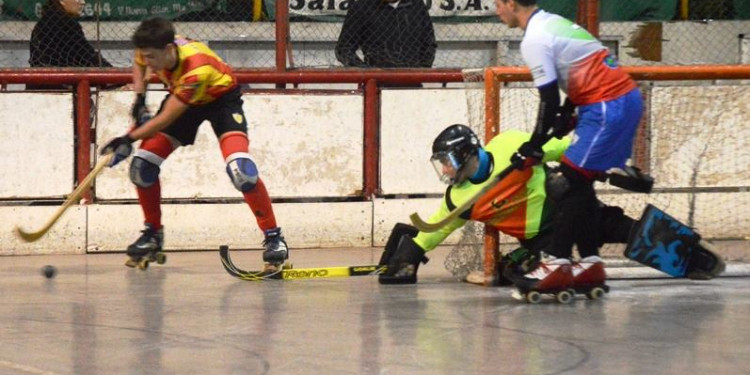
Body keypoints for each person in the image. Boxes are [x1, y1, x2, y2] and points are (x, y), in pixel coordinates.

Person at [100, 17, 288, 270]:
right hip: (183, 96)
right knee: (142, 167)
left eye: (153, 58)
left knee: (241, 171)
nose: (150, 64)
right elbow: (139, 62)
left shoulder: (196, 69)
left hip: (220, 100)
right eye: (146, 57)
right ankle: (153, 233)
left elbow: (167, 117)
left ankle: (274, 237)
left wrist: (127, 138)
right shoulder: (151, 48)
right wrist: (139, 99)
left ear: (169, 50)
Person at [379, 124, 637, 295]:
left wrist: (603, 165)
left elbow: (561, 147)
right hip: (542, 238)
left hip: (571, 210)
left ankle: (657, 239)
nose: (445, 170)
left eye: (448, 162)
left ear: (468, 155)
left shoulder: (510, 144)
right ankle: (569, 269)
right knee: (514, 272)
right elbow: (439, 226)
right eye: (441, 164)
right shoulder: (459, 198)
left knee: (618, 226)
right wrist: (413, 250)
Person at [493, 0, 644, 279]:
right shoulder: (552, 22)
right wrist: (568, 110)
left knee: (565, 183)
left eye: (497, 3)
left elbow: (548, 99)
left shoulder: (535, 39)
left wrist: (534, 144)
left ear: (511, 3)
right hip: (611, 102)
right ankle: (589, 263)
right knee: (579, 183)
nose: (496, 10)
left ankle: (555, 262)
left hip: (606, 106)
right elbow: (581, 69)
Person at [29, 0, 114, 90]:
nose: (82, 2)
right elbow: (86, 55)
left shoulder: (43, 22)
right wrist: (112, 74)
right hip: (59, 88)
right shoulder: (66, 23)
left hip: (40, 86)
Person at [335, 0, 437, 72]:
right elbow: (343, 48)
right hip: (376, 83)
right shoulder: (362, 7)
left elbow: (429, 42)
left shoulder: (416, 5)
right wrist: (366, 71)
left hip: (412, 82)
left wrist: (422, 70)